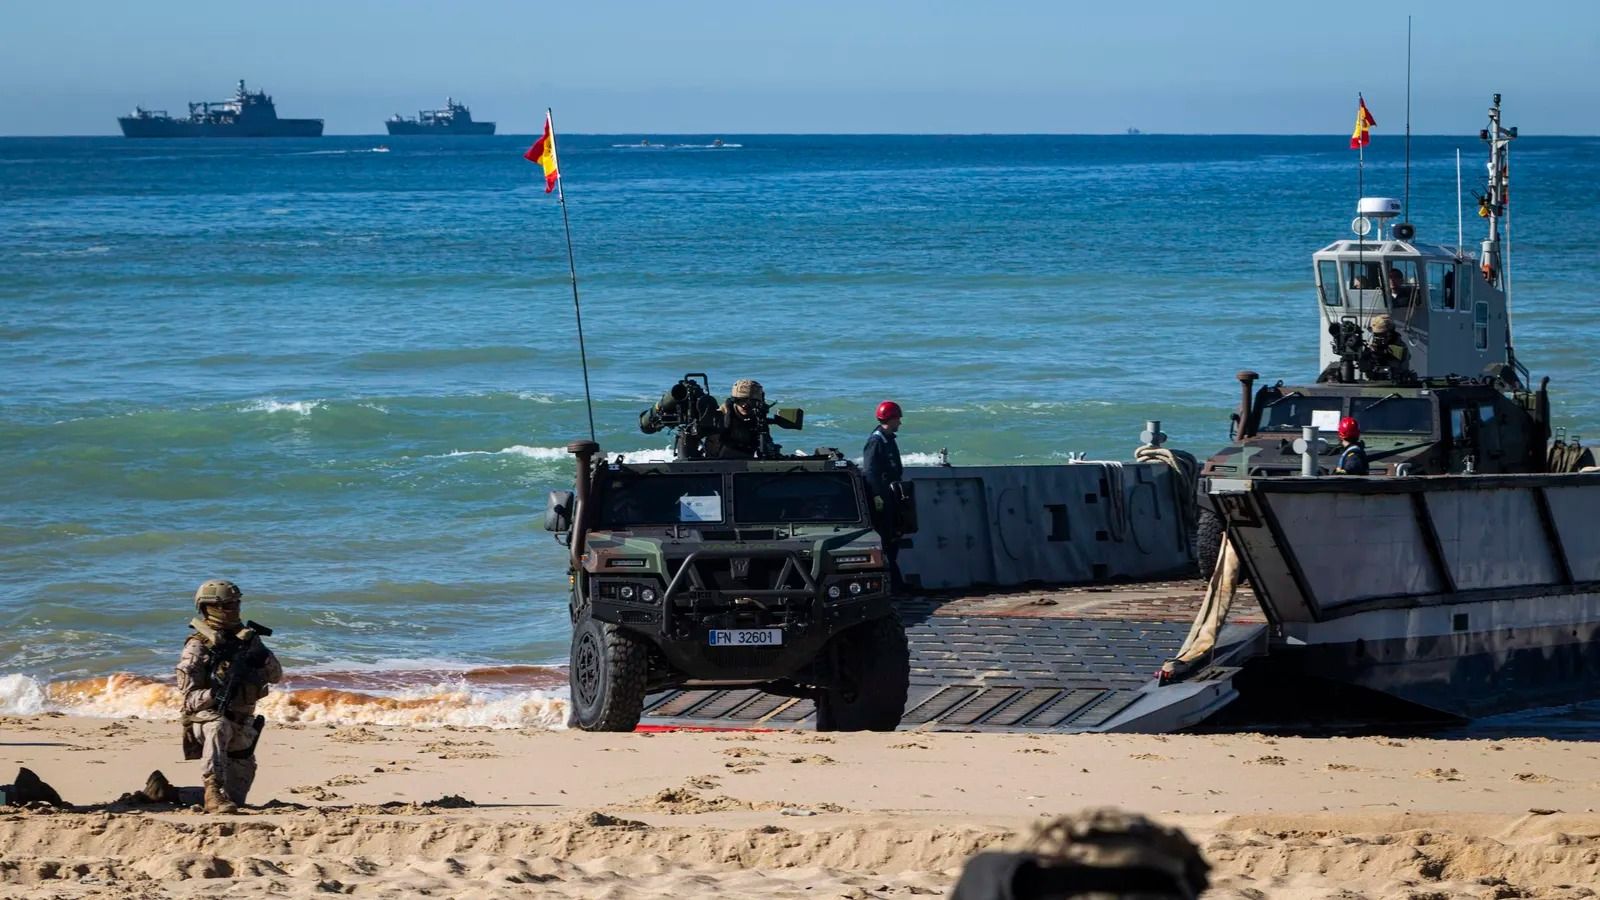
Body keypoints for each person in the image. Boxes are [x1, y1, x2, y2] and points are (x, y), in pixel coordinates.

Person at [176, 579, 282, 813]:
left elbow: (276, 676)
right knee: (217, 725)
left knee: (236, 798)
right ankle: (212, 789)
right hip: (207, 720)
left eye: (235, 604)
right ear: (207, 608)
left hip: (242, 723)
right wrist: (216, 691)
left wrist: (261, 656)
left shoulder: (247, 639)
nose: (233, 610)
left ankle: (167, 792)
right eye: (225, 605)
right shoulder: (197, 646)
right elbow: (188, 700)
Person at [863, 400, 906, 593]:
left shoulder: (889, 439)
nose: (900, 423)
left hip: (892, 495)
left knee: (896, 535)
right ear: (892, 418)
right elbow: (870, 471)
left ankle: (895, 581)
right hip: (882, 497)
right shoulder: (876, 441)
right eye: (898, 418)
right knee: (886, 538)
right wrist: (877, 497)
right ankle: (893, 584)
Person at [707, 379, 765, 458]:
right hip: (720, 457)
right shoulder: (722, 415)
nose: (744, 405)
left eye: (750, 402)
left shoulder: (758, 414)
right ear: (734, 400)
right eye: (740, 401)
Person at [1365, 314, 1411, 380]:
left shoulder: (1399, 346)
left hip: (1395, 383)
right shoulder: (1373, 346)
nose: (1378, 337)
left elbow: (1401, 366)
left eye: (1381, 334)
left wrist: (1383, 352)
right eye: (1376, 334)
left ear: (1389, 333)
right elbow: (1364, 366)